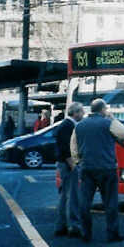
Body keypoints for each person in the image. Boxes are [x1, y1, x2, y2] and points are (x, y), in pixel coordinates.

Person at [70, 98, 124, 242]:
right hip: (107, 168)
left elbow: (73, 147)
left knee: (85, 202)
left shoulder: (79, 126)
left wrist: (79, 162)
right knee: (110, 202)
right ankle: (112, 234)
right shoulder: (108, 123)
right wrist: (113, 118)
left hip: (87, 168)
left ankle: (86, 233)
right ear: (103, 109)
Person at [54, 102, 84, 238]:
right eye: (81, 112)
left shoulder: (65, 124)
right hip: (68, 164)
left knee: (65, 195)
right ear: (75, 113)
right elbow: (66, 147)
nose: (83, 115)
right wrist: (73, 164)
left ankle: (62, 225)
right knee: (73, 195)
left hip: (64, 164)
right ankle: (74, 226)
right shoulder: (68, 126)